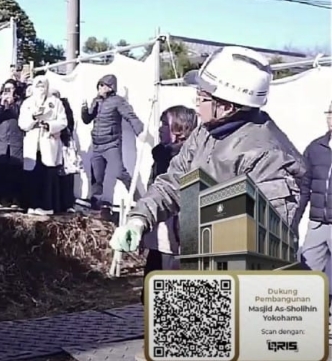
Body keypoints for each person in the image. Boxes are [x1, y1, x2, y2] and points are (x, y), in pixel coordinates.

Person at [109, 48, 305, 361]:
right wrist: (139, 218)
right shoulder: (206, 134)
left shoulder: (268, 156)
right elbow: (173, 183)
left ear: (226, 105)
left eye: (201, 95)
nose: (195, 103)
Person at [139, 105, 198, 303]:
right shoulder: (160, 156)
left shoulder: (192, 158)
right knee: (150, 291)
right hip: (158, 233)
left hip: (176, 237)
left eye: (165, 124)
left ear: (180, 129)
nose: (160, 128)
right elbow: (153, 189)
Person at [81, 74, 144, 220]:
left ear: (111, 87)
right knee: (97, 177)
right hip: (96, 145)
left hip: (111, 144)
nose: (101, 88)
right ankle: (96, 207)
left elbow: (130, 116)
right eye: (99, 85)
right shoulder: (95, 101)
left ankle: (140, 200)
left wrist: (140, 131)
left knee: (119, 172)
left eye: (104, 85)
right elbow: (87, 120)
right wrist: (85, 109)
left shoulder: (118, 101)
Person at [295, 100, 332, 298]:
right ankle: (311, 318)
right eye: (329, 113)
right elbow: (304, 186)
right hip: (317, 223)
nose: (331, 118)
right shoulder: (315, 148)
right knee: (308, 272)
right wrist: (295, 219)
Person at [18, 76, 69, 215]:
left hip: (48, 141)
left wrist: (49, 125)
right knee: (32, 175)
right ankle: (33, 205)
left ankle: (47, 206)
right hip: (33, 143)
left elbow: (63, 121)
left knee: (48, 175)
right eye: (38, 86)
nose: (41, 89)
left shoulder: (56, 102)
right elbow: (22, 123)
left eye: (43, 86)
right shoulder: (27, 103)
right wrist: (33, 118)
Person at [0, 79, 24, 208]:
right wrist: (2, 105)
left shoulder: (20, 102)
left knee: (14, 171)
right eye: (6, 88)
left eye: (11, 88)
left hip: (15, 142)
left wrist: (12, 104)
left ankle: (14, 199)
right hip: (0, 142)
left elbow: (21, 116)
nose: (8, 91)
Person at [53, 90, 77, 213]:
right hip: (52, 143)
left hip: (64, 143)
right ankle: (57, 203)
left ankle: (68, 203)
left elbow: (69, 124)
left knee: (67, 173)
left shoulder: (64, 107)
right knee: (54, 174)